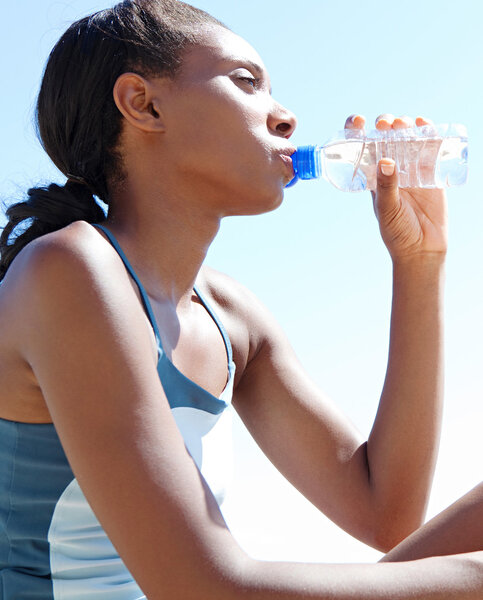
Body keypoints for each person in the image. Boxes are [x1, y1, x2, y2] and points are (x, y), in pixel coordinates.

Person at [0, 0, 481, 598]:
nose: (287, 117)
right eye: (247, 82)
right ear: (143, 104)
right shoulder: (69, 271)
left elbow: (386, 512)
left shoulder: (229, 316)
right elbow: (197, 585)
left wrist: (419, 264)